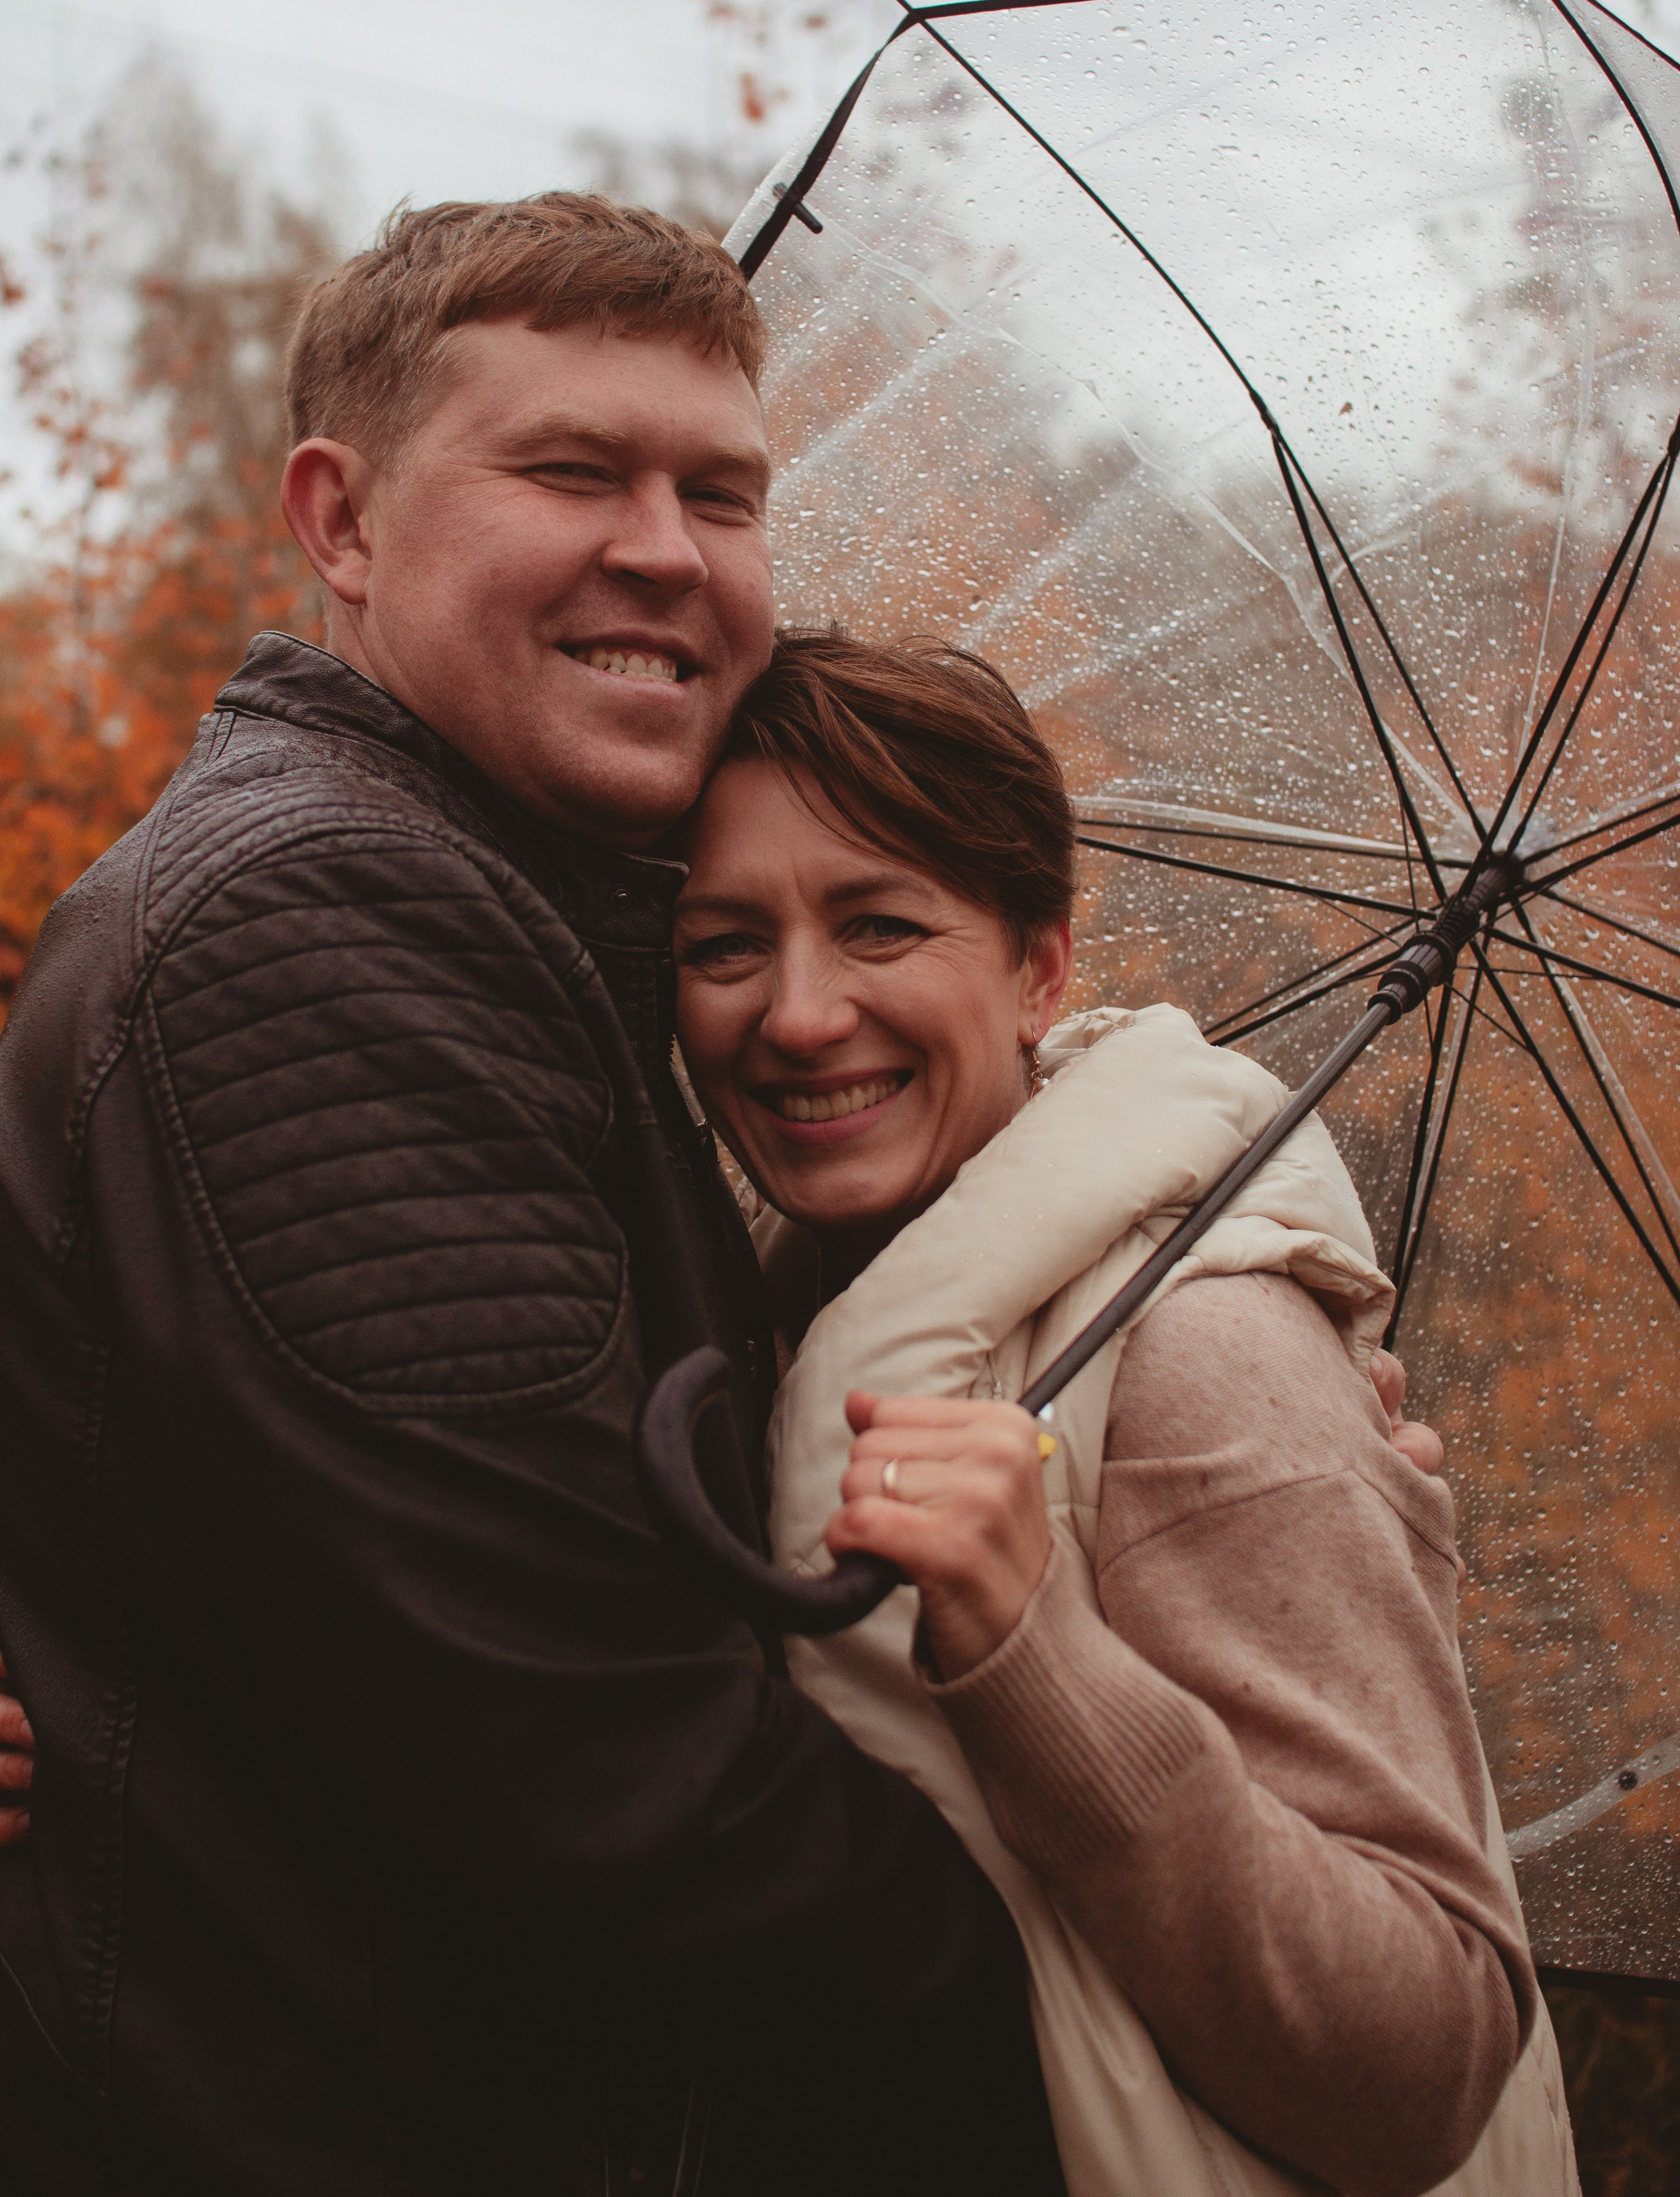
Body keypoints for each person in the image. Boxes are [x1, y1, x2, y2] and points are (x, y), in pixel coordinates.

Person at [0, 197, 1067, 2195]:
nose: (665, 548)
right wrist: (1069, 2017)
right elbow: (590, 1757)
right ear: (341, 523)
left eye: (724, 493)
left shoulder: (527, 919)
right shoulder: (329, 916)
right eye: (572, 469)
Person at [670, 631, 1580, 2197]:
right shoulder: (777, 1321)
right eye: (724, 944)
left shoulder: (1203, 1343)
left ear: (1038, 966)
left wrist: (1037, 1653)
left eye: (880, 925)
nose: (801, 1016)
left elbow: (1426, 2058)